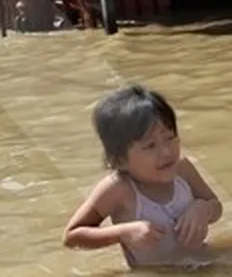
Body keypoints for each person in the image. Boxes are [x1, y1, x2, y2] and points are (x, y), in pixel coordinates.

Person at [63, 84, 223, 268]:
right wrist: (123, 233)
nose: (166, 151)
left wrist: (203, 209)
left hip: (202, 263)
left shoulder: (183, 169)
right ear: (119, 160)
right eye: (150, 146)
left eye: (170, 137)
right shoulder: (119, 189)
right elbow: (72, 236)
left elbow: (215, 205)